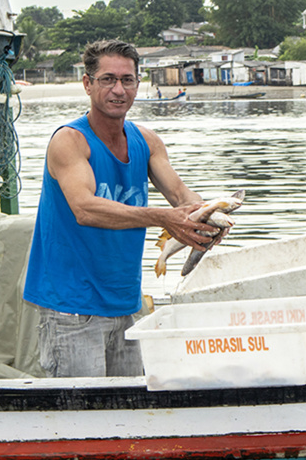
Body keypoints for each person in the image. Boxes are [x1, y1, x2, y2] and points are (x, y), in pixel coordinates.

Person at [24, 39, 216, 377]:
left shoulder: (147, 140)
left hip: (125, 305)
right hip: (72, 309)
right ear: (87, 84)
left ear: (138, 84)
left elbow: (181, 195)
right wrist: (161, 217)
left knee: (127, 414)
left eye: (127, 80)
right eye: (107, 80)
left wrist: (211, 215)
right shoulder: (69, 141)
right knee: (81, 419)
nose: (119, 90)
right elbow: (85, 208)